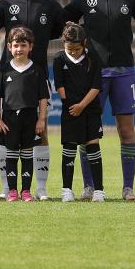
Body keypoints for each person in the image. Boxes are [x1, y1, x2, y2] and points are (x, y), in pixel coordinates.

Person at [63, 0, 135, 201]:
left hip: (124, 72)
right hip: (93, 74)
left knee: (126, 131)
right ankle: (89, 187)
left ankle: (128, 188)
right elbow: (62, 20)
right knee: (88, 132)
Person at [0, 0, 64, 200]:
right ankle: (8, 189)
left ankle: (40, 189)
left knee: (41, 131)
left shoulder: (49, 5)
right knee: (7, 133)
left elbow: (62, 29)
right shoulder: (6, 4)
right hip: (8, 78)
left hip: (37, 77)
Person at [0, 27, 49, 202]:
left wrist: (41, 119)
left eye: (23, 45)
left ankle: (26, 191)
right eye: (16, 45)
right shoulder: (3, 70)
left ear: (30, 47)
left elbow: (43, 98)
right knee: (10, 156)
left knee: (26, 155)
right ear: (9, 47)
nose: (19, 49)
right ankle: (12, 191)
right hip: (9, 119)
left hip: (30, 118)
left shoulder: (37, 70)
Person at [53, 22, 105, 202]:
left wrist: (82, 105)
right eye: (70, 49)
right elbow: (59, 85)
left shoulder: (94, 58)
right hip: (70, 111)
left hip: (90, 110)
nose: (73, 52)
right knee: (69, 148)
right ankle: (67, 190)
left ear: (84, 44)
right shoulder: (59, 59)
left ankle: (99, 191)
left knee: (93, 147)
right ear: (63, 44)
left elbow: (96, 86)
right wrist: (70, 105)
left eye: (77, 49)